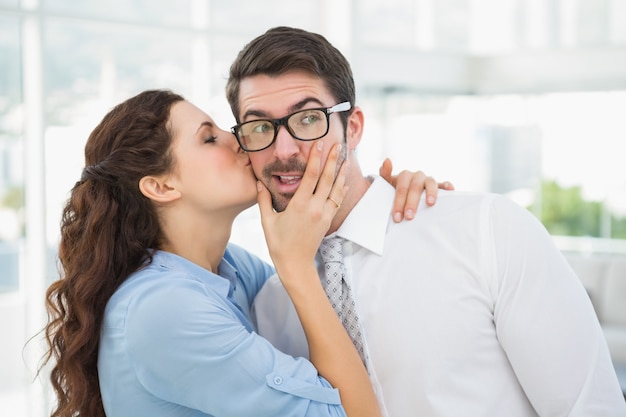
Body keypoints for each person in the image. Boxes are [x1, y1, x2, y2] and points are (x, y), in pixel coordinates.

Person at [226, 26, 626, 416]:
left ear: (355, 126)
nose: (284, 148)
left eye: (309, 118)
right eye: (259, 127)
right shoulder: (272, 306)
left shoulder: (486, 231)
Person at [39, 89, 448, 417]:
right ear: (161, 187)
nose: (237, 140)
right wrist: (295, 267)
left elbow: (320, 305)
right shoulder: (163, 308)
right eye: (209, 137)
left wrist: (382, 199)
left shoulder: (229, 269)